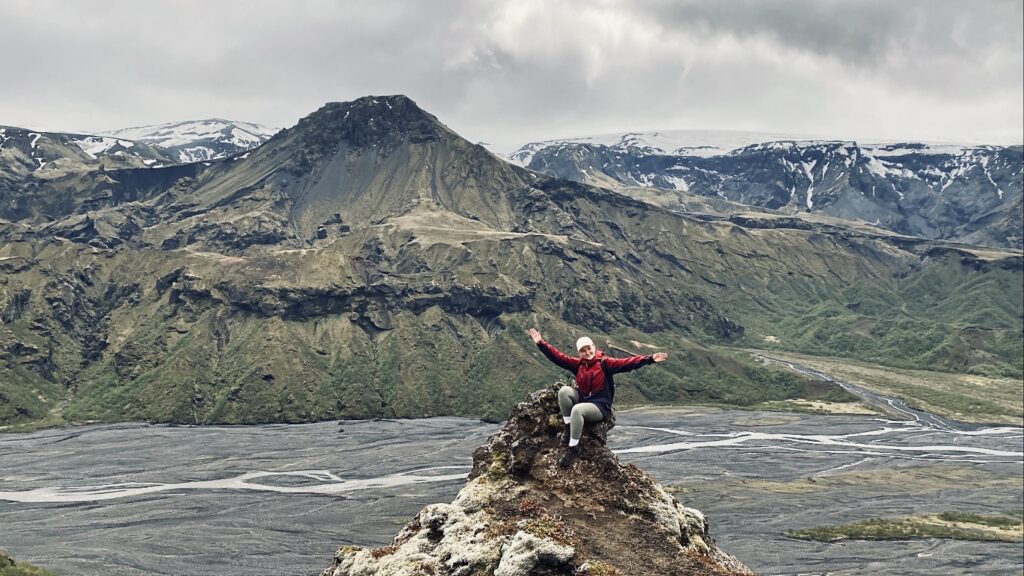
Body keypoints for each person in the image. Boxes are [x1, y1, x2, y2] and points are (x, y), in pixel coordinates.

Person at [528, 328, 668, 467]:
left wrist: (650, 359)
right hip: (584, 399)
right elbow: (558, 357)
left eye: (589, 348)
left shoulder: (605, 363)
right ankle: (569, 427)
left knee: (577, 410)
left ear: (593, 347)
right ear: (579, 353)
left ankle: (573, 447)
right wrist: (541, 343)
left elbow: (628, 363)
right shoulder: (578, 365)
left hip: (600, 406)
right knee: (563, 392)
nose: (587, 352)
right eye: (583, 350)